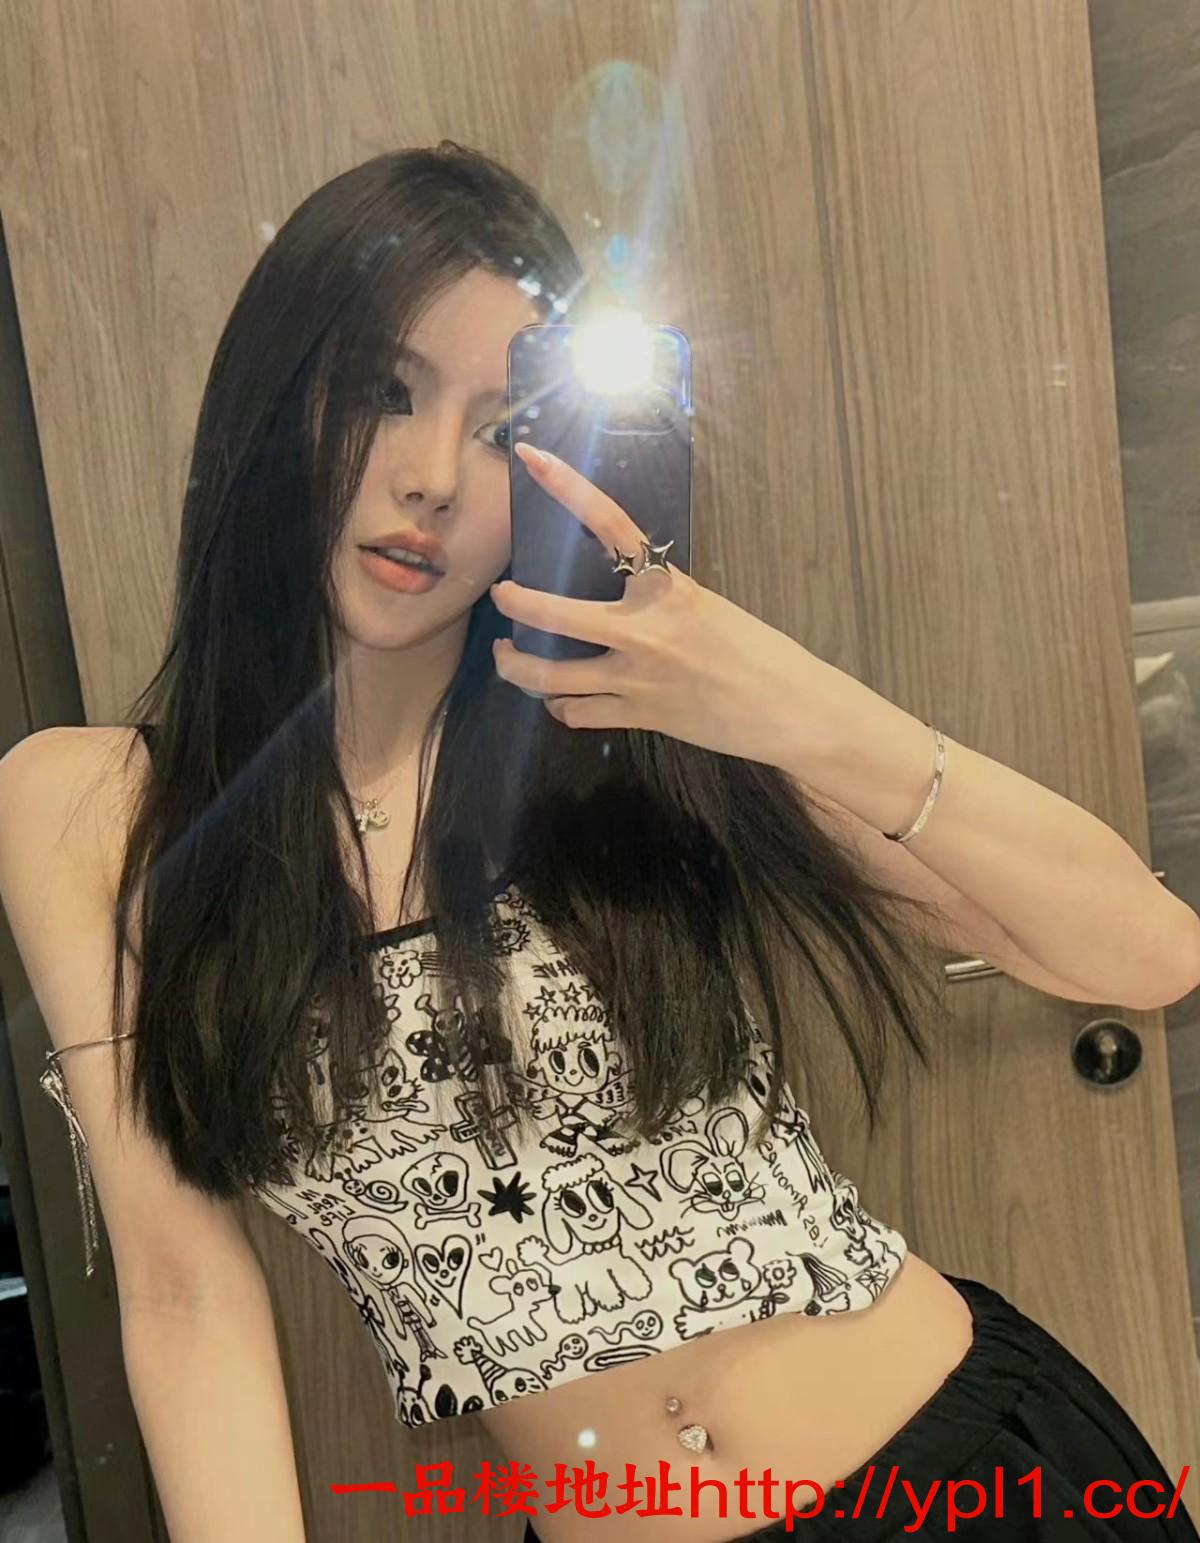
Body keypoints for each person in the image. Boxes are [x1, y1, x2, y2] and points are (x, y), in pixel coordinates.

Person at [1, 141, 1196, 1543]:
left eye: (504, 427)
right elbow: (184, 1295)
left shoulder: (631, 716)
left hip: (971, 1485)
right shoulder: (91, 813)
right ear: (276, 400)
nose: (432, 479)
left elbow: (1148, 952)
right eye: (384, 393)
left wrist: (797, 708)